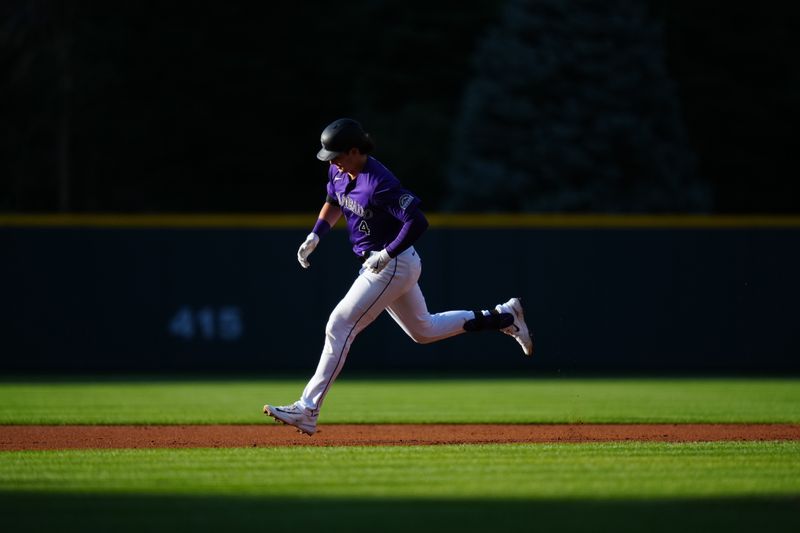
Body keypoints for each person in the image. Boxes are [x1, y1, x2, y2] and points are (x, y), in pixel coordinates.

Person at [264, 118, 533, 435]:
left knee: (339, 324)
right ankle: (503, 316)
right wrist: (316, 235)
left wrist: (387, 253)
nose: (332, 161)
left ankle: (308, 409)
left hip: (393, 263)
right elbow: (333, 202)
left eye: (336, 154)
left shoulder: (380, 181)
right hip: (381, 263)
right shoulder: (338, 171)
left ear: (355, 150)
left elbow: (418, 222)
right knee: (424, 330)